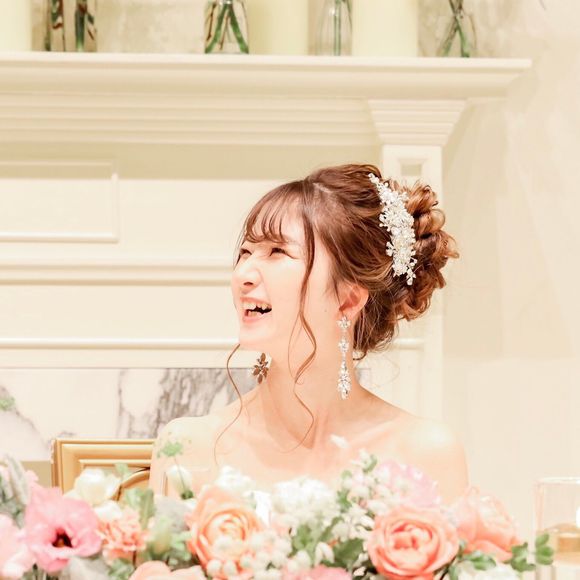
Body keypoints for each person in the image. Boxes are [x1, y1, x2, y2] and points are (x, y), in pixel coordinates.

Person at [149, 163, 468, 504]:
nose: (243, 274)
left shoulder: (426, 455)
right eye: (245, 252)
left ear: (348, 300)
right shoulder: (189, 447)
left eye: (277, 251)